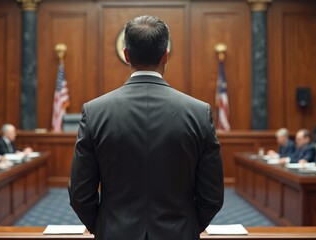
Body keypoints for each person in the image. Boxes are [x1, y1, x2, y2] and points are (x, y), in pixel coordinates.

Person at [68, 15, 224, 240]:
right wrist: (185, 227)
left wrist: (105, 226)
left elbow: (80, 194)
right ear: (166, 56)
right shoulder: (199, 113)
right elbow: (212, 196)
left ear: (126, 55)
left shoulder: (95, 112)